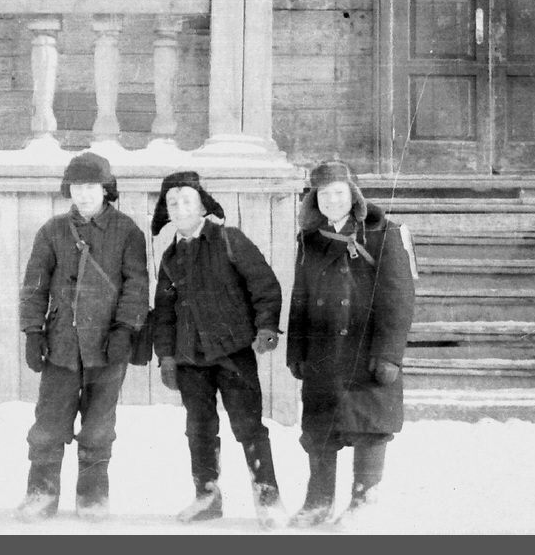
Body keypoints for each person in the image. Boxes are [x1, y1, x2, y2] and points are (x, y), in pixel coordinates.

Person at [16, 151, 149, 522]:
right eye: (77, 186)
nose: (85, 194)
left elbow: (137, 286)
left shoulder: (128, 232)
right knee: (48, 425)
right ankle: (41, 495)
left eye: (92, 186)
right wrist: (32, 331)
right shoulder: (53, 231)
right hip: (61, 346)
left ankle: (92, 496)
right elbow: (34, 285)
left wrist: (125, 329)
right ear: (68, 189)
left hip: (108, 349)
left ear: (106, 189)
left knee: (98, 426)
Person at [150, 170, 288, 528]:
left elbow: (265, 285)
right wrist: (166, 357)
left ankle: (268, 498)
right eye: (173, 203)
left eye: (187, 202)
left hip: (233, 353)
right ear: (166, 212)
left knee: (248, 425)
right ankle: (206, 496)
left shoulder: (229, 240)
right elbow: (163, 314)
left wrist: (267, 327)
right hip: (190, 358)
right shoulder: (169, 258)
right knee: (199, 427)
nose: (180, 208)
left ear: (202, 206)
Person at [286, 159, 416, 527]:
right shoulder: (310, 240)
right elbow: (300, 298)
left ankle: (364, 500)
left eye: (339, 193)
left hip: (365, 351)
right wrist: (296, 351)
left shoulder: (384, 233)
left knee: (369, 425)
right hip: (324, 352)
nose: (331, 201)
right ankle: (318, 501)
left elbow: (398, 299)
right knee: (320, 429)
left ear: (354, 196)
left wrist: (389, 355)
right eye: (323, 195)